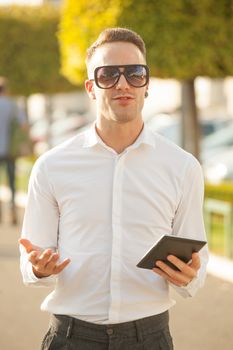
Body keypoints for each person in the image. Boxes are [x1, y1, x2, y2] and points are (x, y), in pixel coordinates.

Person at [19, 28, 208, 350]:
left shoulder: (183, 167)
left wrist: (190, 275)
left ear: (146, 85)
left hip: (150, 338)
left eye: (135, 73)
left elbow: (197, 260)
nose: (123, 83)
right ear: (91, 87)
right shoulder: (51, 166)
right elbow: (31, 260)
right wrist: (38, 268)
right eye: (108, 74)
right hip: (70, 337)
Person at [0, 77, 28, 225]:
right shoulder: (12, 106)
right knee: (11, 182)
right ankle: (12, 213)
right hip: (10, 149)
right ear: (6, 89)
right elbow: (23, 125)